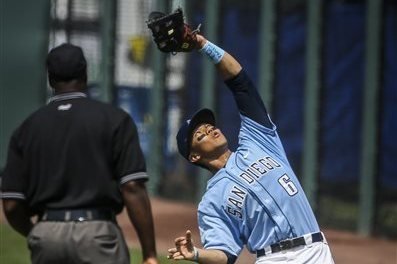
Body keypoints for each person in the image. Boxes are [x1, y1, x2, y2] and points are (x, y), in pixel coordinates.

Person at [167, 34, 335, 264]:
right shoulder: (211, 201)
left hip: (316, 252)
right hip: (273, 259)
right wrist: (196, 254)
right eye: (200, 134)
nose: (210, 130)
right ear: (194, 156)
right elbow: (224, 255)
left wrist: (201, 44)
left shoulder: (258, 141)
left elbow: (241, 84)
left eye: (209, 126)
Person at [1, 43, 158, 264]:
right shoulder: (114, 119)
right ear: (85, 74)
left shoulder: (26, 129)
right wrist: (149, 253)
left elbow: (11, 203)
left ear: (50, 79)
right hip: (97, 235)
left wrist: (36, 232)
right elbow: (132, 186)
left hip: (47, 235)